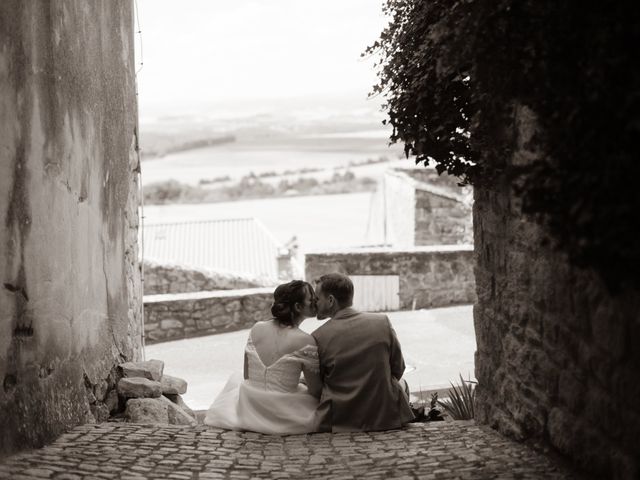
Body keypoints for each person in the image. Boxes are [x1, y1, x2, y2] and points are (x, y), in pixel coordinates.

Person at [204, 280, 322, 434]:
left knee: (237, 380)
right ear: (298, 307)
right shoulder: (305, 340)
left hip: (250, 407)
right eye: (312, 298)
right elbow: (315, 391)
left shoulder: (257, 328)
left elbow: (247, 375)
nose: (316, 301)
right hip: (284, 412)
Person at [312, 273, 415, 432]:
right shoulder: (382, 322)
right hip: (384, 415)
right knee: (402, 384)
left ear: (331, 300)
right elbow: (398, 368)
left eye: (317, 299)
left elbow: (319, 386)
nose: (314, 304)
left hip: (342, 419)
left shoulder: (318, 337)